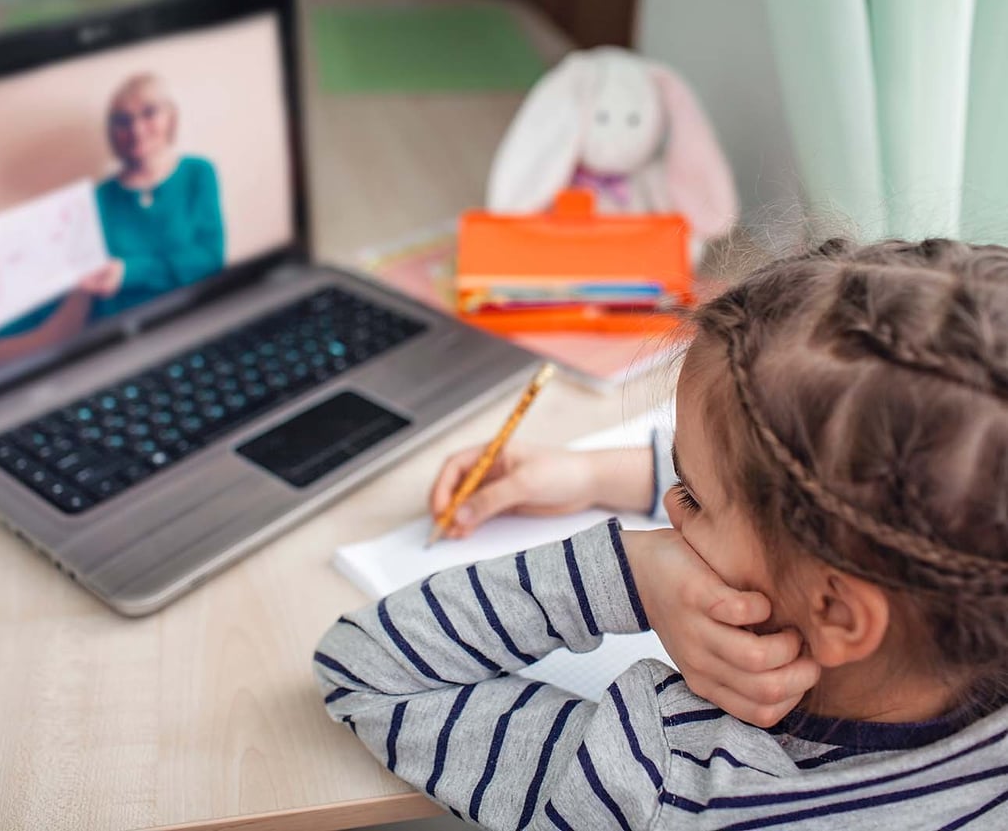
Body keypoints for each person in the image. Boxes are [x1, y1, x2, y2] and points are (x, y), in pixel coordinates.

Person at [313, 238, 1008, 829]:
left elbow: (367, 669)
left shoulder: (665, 778)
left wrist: (627, 573)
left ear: (837, 611)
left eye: (692, 497)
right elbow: (811, 490)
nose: (673, 509)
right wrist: (596, 475)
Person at [0, 73, 225, 347]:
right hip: (116, 344)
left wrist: (128, 273)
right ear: (111, 132)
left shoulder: (198, 173)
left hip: (193, 328)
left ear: (171, 117)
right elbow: (44, 295)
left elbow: (210, 259)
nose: (137, 128)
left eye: (149, 113)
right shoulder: (92, 201)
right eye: (122, 120)